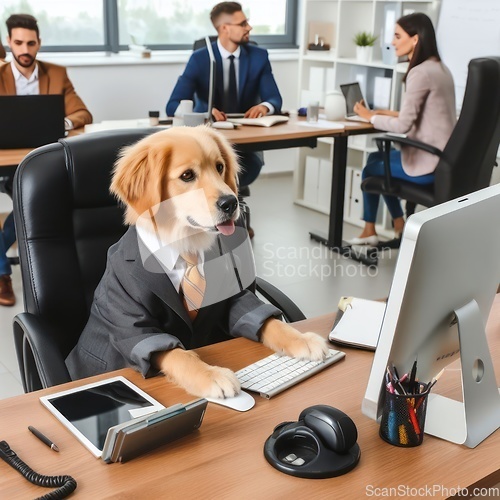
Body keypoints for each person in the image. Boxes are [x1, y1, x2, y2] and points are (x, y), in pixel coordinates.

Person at [0, 14, 92, 306]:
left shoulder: (56, 73)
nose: (25, 49)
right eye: (18, 43)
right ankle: (3, 268)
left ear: (39, 43)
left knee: (33, 198)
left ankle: (3, 268)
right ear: (8, 43)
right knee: (29, 198)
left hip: (44, 158)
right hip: (7, 161)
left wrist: (60, 122)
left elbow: (83, 114)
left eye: (31, 43)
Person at [348, 12, 456, 246]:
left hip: (428, 162)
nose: (393, 42)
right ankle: (398, 225)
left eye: (397, 36)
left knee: (371, 169)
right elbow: (428, 115)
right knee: (379, 157)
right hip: (444, 158)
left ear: (415, 39)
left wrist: (371, 117)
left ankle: (372, 230)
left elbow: (403, 125)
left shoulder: (419, 72)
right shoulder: (440, 68)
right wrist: (384, 113)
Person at [166, 2, 282, 194]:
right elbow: (172, 105)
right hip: (207, 146)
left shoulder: (259, 57)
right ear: (225, 28)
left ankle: (233, 218)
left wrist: (265, 106)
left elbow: (275, 99)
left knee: (243, 169)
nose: (249, 27)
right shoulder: (200, 58)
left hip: (245, 145)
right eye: (243, 23)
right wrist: (203, 112)